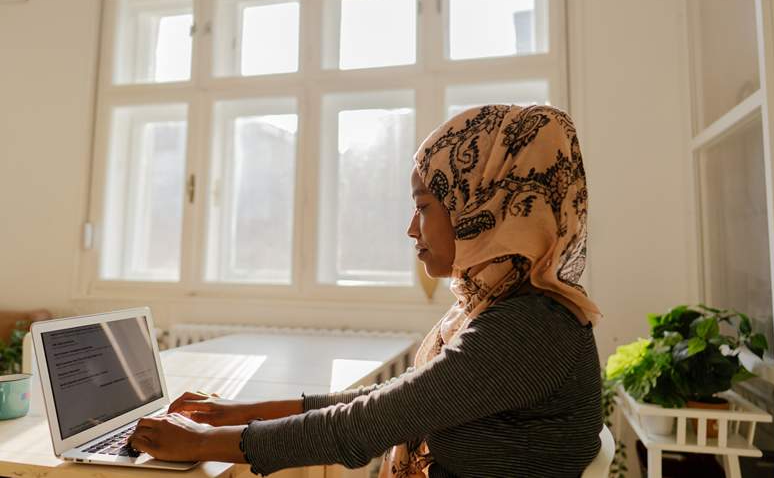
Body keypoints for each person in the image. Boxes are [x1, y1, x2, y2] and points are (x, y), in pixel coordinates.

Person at [130, 104, 604, 477]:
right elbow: (393, 400)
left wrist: (198, 443)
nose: (411, 228)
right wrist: (227, 413)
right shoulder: (513, 308)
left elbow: (365, 425)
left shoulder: (529, 327)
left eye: (424, 206)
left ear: (482, 203)